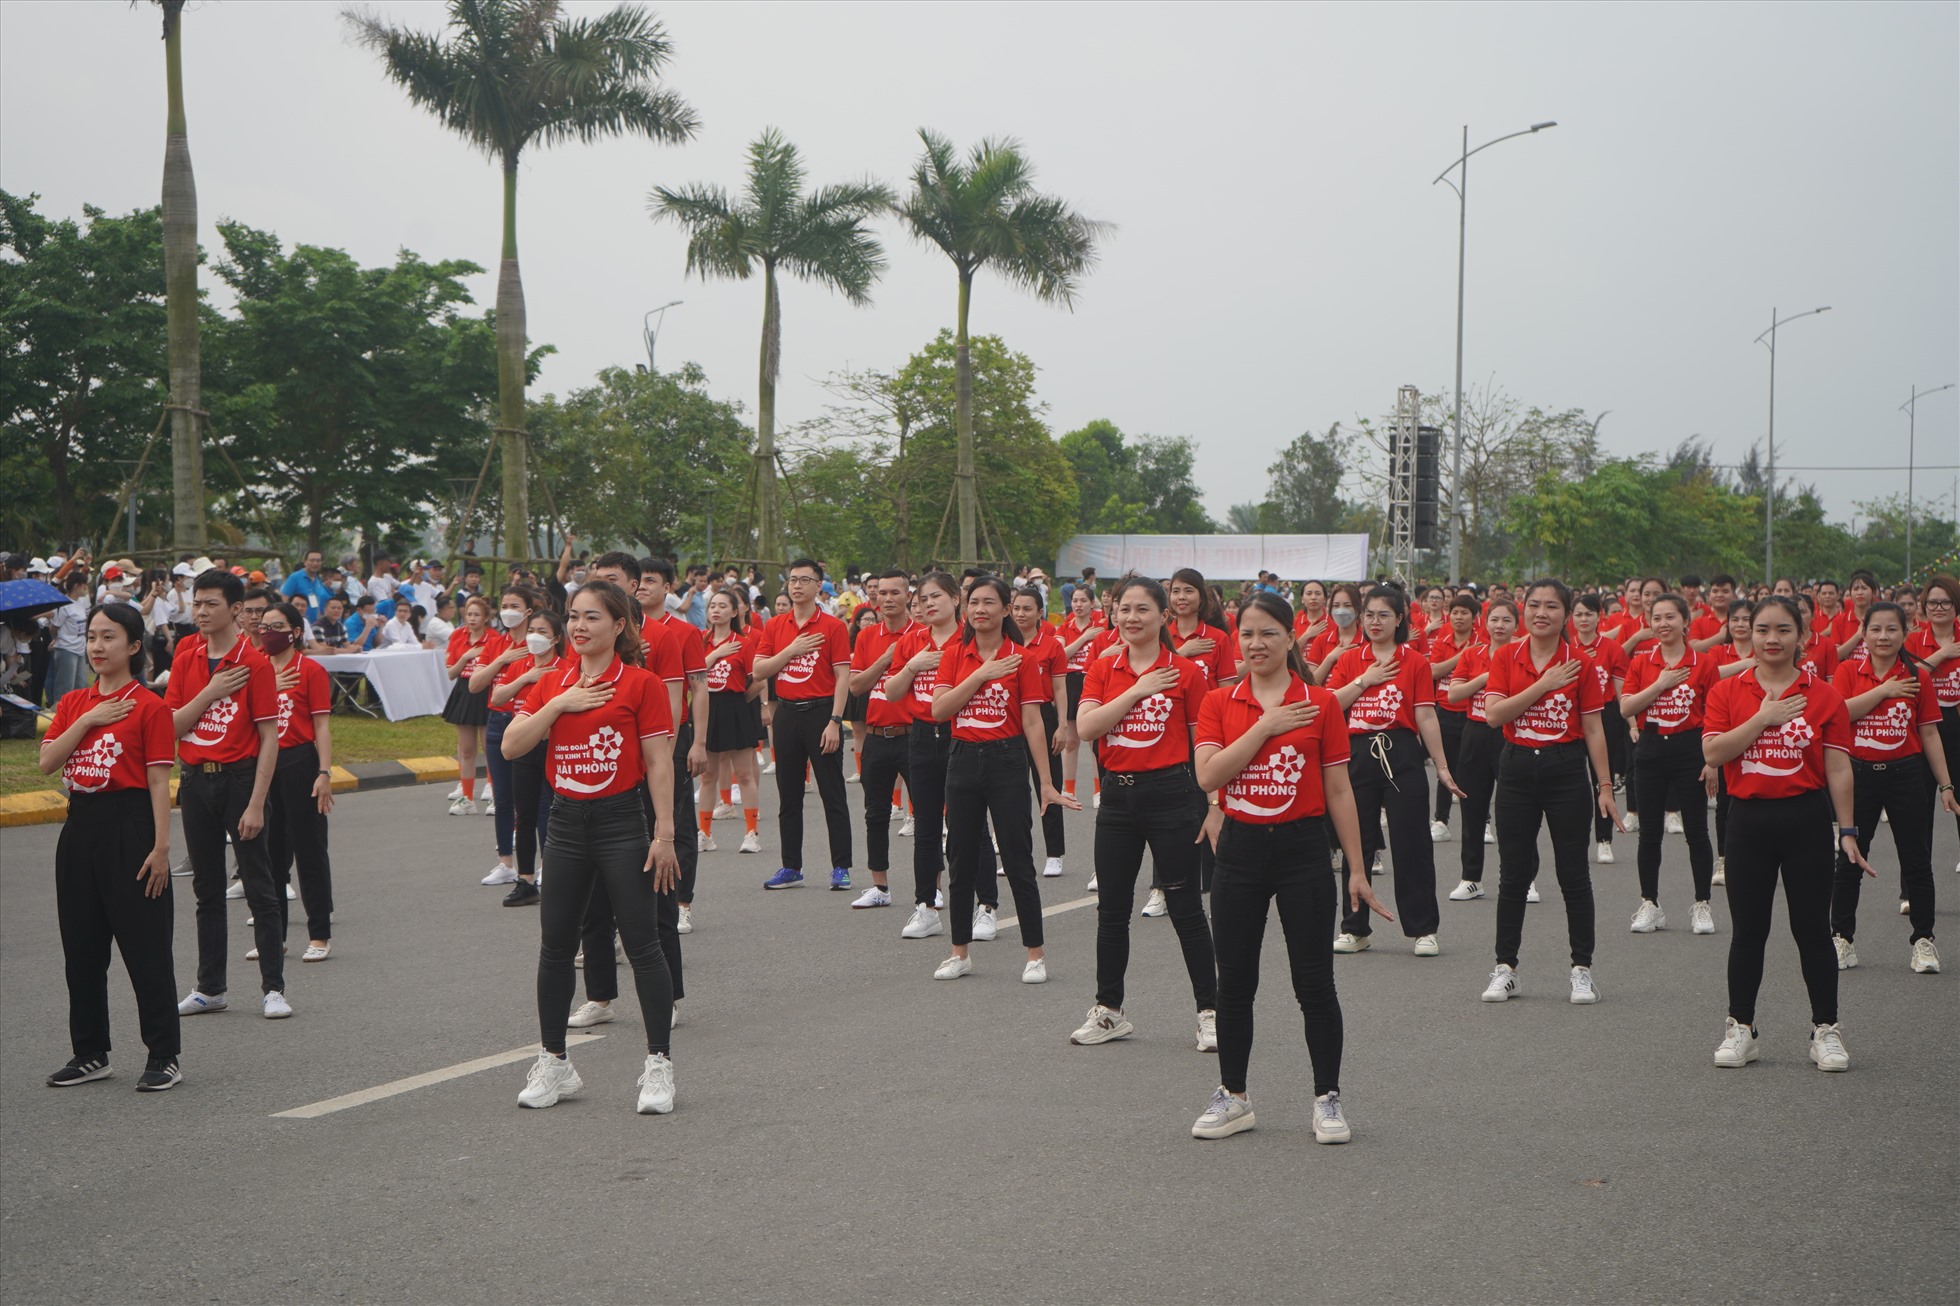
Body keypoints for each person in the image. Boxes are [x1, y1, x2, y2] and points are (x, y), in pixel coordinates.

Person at [1189, 591, 1388, 1142]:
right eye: (1247, 634)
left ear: (1290, 637)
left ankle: (1327, 1099)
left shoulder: (1322, 703)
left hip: (1303, 851)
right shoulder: (1218, 702)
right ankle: (1234, 1096)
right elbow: (1208, 778)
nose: (1256, 644)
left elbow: (1341, 791)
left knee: (1314, 983)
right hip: (1240, 852)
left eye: (1268, 633)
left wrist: (1356, 868)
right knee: (1235, 984)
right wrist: (1265, 726)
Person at [501, 581, 680, 1113]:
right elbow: (513, 746)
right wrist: (559, 702)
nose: (579, 627)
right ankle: (555, 1063)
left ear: (619, 625)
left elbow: (658, 763)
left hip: (623, 823)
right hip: (565, 824)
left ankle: (658, 1068)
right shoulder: (552, 681)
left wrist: (664, 834)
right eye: (573, 617)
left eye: (592, 618)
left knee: (643, 943)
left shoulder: (641, 684)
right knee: (556, 944)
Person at [1703, 596, 1866, 1070]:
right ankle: (1741, 1028)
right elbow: (1714, 755)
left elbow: (1838, 768)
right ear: (1748, 634)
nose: (1771, 639)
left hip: (1805, 819)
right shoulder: (1726, 691)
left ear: (1803, 636)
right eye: (1761, 630)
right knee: (1749, 930)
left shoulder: (1825, 696)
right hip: (1748, 820)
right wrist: (1763, 718)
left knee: (1812, 928)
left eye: (1783, 630)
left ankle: (1826, 1030)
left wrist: (1848, 831)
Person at [39, 603, 183, 1090]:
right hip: (79, 830)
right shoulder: (74, 703)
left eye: (109, 638)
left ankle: (163, 1055)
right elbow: (46, 762)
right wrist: (89, 719)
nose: (98, 647)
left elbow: (159, 781)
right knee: (81, 949)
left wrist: (161, 848)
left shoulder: (151, 706)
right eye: (93, 637)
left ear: (134, 646)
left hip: (132, 828)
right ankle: (90, 1052)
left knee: (146, 950)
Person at [1070, 576, 1218, 1048]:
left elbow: (1203, 743)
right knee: (1111, 910)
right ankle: (1109, 1010)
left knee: (1186, 908)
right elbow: (1087, 726)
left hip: (1173, 796)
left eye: (1142, 610)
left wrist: (1213, 804)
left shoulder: (1186, 673)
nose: (1131, 618)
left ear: (1163, 617)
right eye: (1124, 610)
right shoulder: (1102, 667)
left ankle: (1211, 1012)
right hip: (1116, 799)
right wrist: (1137, 689)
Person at [1478, 579, 1622, 1006]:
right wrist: (1543, 684)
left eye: (1552, 607)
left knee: (1573, 873)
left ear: (1566, 614)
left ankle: (1582, 970)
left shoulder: (1580, 663)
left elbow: (1595, 729)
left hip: (1565, 769)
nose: (1541, 613)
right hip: (1517, 766)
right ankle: (1507, 968)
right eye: (1534, 605)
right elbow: (1493, 715)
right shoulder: (1506, 656)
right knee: (1514, 873)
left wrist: (1606, 786)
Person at [928, 575, 1078, 982]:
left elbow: (1032, 723)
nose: (980, 609)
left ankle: (1034, 954)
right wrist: (981, 675)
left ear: (1007, 609)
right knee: (960, 857)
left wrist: (1046, 783)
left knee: (1017, 858)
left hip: (1007, 761)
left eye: (989, 602)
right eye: (973, 602)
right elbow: (940, 710)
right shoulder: (955, 655)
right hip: (961, 759)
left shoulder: (1023, 658)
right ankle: (959, 952)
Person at [165, 569, 289, 1019]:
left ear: (236, 610)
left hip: (241, 778)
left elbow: (269, 737)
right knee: (207, 888)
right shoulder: (186, 655)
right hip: (197, 780)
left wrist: (256, 802)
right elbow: (172, 726)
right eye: (197, 603)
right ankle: (210, 987)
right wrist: (211, 691)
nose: (200, 611)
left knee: (260, 885)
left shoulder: (254, 663)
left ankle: (273, 987)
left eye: (210, 603)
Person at [1326, 585, 1462, 956]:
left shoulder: (1415, 661)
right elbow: (1330, 704)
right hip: (1356, 753)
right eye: (1368, 614)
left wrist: (1443, 767)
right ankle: (1355, 928)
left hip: (1401, 752)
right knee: (1359, 843)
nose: (1374, 621)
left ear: (1400, 619)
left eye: (1383, 615)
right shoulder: (1350, 659)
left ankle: (1422, 929)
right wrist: (1364, 681)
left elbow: (1425, 715)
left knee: (1411, 843)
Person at [1830, 602, 1954, 973]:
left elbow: (1929, 733)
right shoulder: (1848, 670)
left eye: (1892, 630)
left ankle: (1924, 941)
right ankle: (1842, 938)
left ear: (1906, 632)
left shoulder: (1919, 677)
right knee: (1849, 858)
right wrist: (1884, 690)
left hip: (1907, 775)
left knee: (1916, 861)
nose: (1883, 637)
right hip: (1857, 775)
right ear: (1863, 633)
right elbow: (1839, 715)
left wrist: (1946, 784)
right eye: (1875, 630)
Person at [1618, 593, 1721, 934]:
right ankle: (1650, 903)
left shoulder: (1703, 663)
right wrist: (1660, 684)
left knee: (1696, 831)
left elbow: (1717, 717)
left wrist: (1712, 762)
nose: (1663, 624)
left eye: (1670, 617)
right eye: (1657, 618)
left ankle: (1702, 904)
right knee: (1649, 833)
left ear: (1684, 622)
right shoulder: (1642, 663)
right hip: (1649, 748)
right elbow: (1626, 708)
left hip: (1691, 748)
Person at [751, 559, 854, 892]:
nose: (796, 586)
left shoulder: (833, 627)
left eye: (804, 580)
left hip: (821, 713)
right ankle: (790, 866)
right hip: (787, 714)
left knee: (832, 792)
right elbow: (759, 671)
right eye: (792, 580)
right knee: (788, 795)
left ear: (819, 584)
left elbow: (843, 677)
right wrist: (792, 649)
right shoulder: (776, 626)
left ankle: (841, 866)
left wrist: (836, 721)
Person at [885, 572, 971, 938]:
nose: (929, 604)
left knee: (968, 827)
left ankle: (984, 905)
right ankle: (925, 905)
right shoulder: (912, 641)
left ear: (955, 599)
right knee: (926, 826)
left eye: (937, 596)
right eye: (923, 599)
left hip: (962, 734)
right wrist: (912, 666)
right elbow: (891, 692)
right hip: (921, 736)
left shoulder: (970, 638)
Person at [257, 603, 336, 962]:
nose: (267, 633)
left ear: (295, 632)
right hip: (262, 765)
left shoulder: (312, 671)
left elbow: (321, 726)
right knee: (269, 855)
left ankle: (319, 934)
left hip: (300, 762)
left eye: (276, 626)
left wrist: (324, 773)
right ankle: (274, 937)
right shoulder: (255, 667)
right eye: (263, 626)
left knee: (309, 850)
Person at [843, 571, 919, 908]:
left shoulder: (922, 634)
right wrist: (886, 659)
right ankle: (880, 887)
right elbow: (856, 686)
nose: (887, 599)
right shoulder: (867, 636)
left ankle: (931, 888)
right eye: (881, 593)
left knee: (929, 814)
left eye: (894, 592)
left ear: (908, 596)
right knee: (875, 813)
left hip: (914, 735)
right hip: (875, 735)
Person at [484, 608, 567, 908]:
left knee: (555, 813)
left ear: (556, 638)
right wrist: (526, 677)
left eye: (542, 632)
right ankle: (526, 880)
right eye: (532, 630)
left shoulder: (566, 669)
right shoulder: (522, 664)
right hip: (522, 747)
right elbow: (497, 698)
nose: (534, 637)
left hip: (554, 749)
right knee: (525, 814)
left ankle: (555, 874)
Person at [472, 586, 551, 888]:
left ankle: (544, 863)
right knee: (503, 798)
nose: (507, 610)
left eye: (514, 605)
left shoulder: (541, 642)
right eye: (503, 604)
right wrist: (501, 659)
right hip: (499, 722)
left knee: (539, 800)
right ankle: (506, 862)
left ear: (528, 611)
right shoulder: (494, 643)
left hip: (533, 723)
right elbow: (476, 685)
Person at [1011, 585, 1071, 878]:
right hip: (1010, 716)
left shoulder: (1051, 646)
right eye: (1016, 608)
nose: (1021, 614)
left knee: (1049, 784)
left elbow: (1060, 688)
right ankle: (1015, 852)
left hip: (1043, 717)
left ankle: (1054, 853)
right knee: (1011, 789)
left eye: (1027, 609)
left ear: (1039, 613)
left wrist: (1061, 725)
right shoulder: (1003, 644)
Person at [699, 588, 764, 857]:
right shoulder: (701, 640)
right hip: (707, 708)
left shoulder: (745, 642)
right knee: (707, 775)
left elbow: (759, 679)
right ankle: (704, 833)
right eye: (712, 605)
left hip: (736, 706)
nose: (716, 610)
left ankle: (751, 833)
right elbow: (692, 674)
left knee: (745, 773)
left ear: (735, 612)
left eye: (723, 606)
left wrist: (741, 703)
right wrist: (715, 654)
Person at [1905, 575, 1960, 853]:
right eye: (1932, 602)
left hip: (1957, 721)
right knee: (1922, 803)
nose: (1938, 608)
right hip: (1924, 726)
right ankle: (1913, 881)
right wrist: (1944, 653)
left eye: (1945, 602)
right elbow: (1909, 678)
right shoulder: (1915, 640)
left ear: (1956, 605)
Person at [442, 596, 506, 816]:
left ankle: (496, 796)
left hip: (486, 691)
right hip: (463, 691)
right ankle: (467, 798)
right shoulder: (457, 636)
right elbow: (450, 673)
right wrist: (466, 657)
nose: (472, 618)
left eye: (477, 614)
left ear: (486, 617)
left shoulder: (495, 638)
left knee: (490, 748)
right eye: (469, 614)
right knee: (467, 749)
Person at [1426, 594, 1476, 842]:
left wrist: (1453, 663)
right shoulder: (1443, 640)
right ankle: (1441, 820)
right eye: (1455, 612)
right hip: (1444, 711)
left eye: (1464, 612)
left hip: (1473, 713)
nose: (1458, 617)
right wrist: (1463, 657)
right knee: (1442, 767)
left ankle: (1482, 822)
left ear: (1474, 617)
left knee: (1473, 771)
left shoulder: (1483, 641)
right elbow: (1434, 671)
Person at [1057, 583, 1107, 804]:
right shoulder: (1064, 627)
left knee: (1094, 741)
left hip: (1092, 682)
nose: (1078, 605)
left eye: (1083, 600)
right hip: (1069, 682)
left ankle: (1099, 791)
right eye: (1075, 600)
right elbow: (1060, 657)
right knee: (1071, 741)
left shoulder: (1102, 626)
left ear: (1092, 603)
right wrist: (1084, 638)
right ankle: (1069, 790)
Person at [45, 573, 92, 704]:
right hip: (66, 648)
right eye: (84, 585)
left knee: (81, 685)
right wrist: (55, 639)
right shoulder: (64, 604)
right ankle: (60, 715)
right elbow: (53, 627)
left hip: (80, 648)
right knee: (65, 687)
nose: (86, 588)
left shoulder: (80, 602)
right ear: (77, 586)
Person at [1305, 583, 1364, 684]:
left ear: (1358, 608)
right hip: (1325, 699)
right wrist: (1330, 658)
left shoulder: (1369, 641)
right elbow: (1311, 683)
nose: (1341, 611)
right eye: (1336, 606)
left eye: (1347, 605)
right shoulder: (1321, 640)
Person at [280, 549, 332, 621]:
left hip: (314, 624)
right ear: (305, 562)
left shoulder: (318, 581)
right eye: (312, 560)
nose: (315, 563)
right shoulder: (295, 577)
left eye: (318, 561)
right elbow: (284, 599)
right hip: (297, 621)